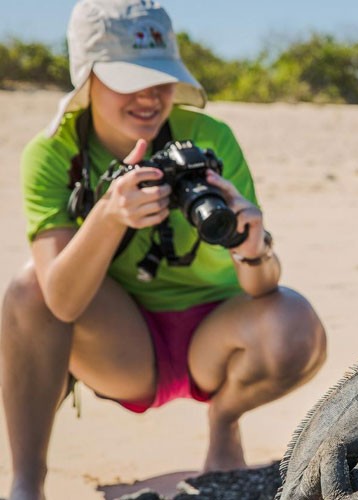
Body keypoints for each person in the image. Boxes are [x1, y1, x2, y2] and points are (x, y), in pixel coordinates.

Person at [0, 1, 327, 499]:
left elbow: (262, 287)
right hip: (123, 346)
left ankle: (225, 423)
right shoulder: (54, 153)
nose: (149, 97)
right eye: (129, 80)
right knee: (26, 291)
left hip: (217, 339)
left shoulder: (209, 139)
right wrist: (109, 217)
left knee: (295, 322)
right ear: (87, 77)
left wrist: (251, 245)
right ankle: (27, 481)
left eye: (160, 79)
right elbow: (60, 301)